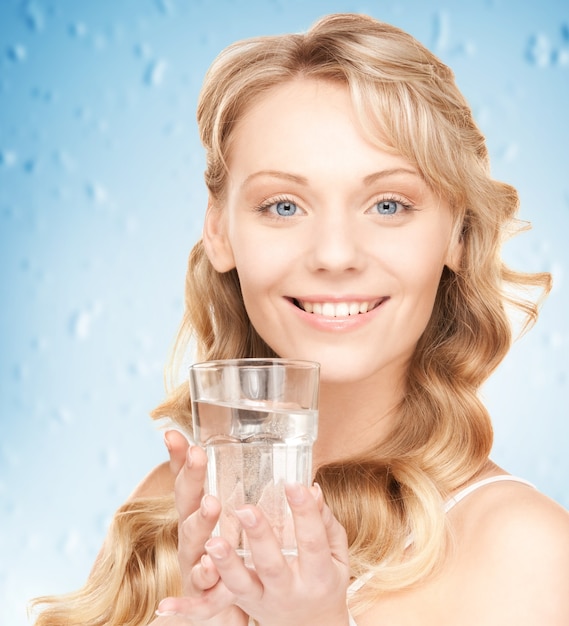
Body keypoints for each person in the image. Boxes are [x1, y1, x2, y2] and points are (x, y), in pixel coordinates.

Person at [31, 12, 569, 626]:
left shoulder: (526, 551)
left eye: (388, 204)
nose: (335, 255)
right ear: (219, 230)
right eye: (283, 205)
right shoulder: (164, 509)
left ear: (459, 235)